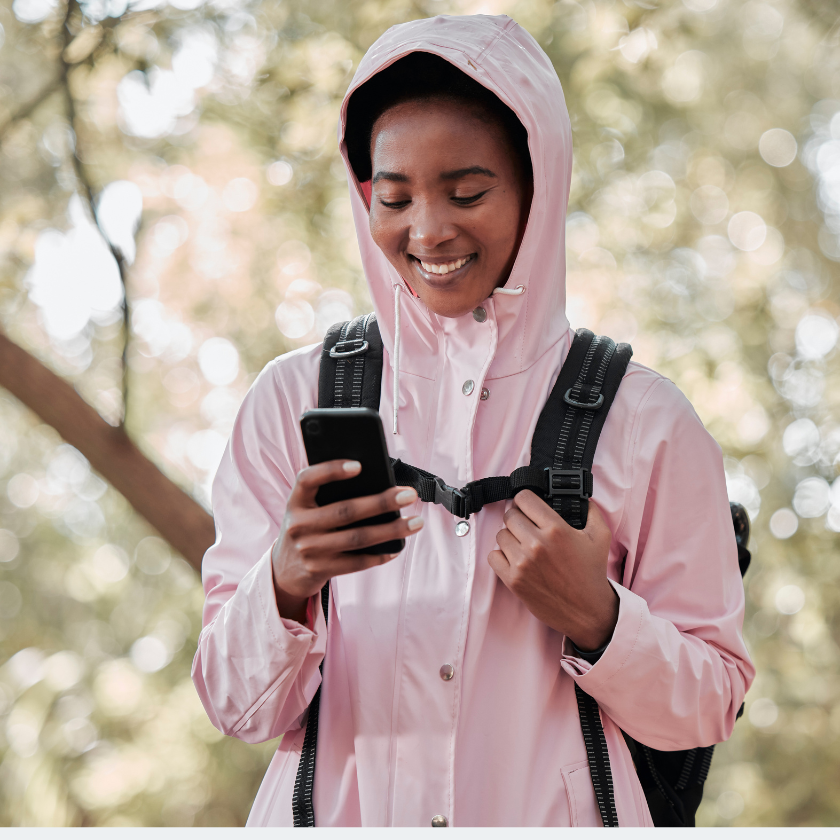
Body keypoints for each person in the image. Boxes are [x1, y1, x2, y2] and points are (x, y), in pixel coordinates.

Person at [192, 14, 754, 827]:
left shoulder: (649, 421)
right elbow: (236, 709)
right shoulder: (292, 399)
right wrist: (284, 580)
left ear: (539, 184)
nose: (427, 230)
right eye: (394, 197)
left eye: (467, 192)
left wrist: (599, 618)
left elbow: (710, 705)